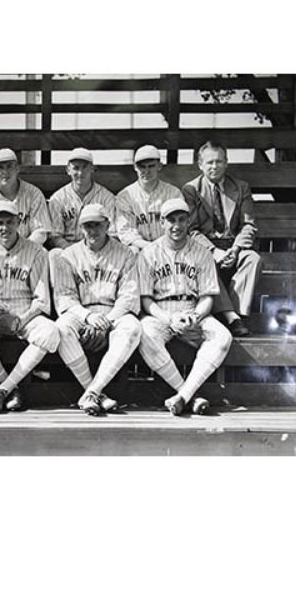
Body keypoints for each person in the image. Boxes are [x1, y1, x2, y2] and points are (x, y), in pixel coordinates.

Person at [137, 198, 232, 416]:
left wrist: (195, 317)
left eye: (182, 219)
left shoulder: (202, 252)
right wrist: (169, 319)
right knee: (144, 334)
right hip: (161, 311)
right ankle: (187, 395)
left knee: (222, 337)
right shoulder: (148, 253)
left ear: (189, 221)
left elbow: (208, 296)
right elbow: (146, 300)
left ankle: (182, 397)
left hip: (192, 308)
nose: (176, 225)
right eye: (171, 220)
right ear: (161, 222)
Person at [0, 200, 59, 413]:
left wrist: (21, 321)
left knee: (50, 332)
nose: (4, 228)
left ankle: (3, 390)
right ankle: (10, 386)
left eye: (9, 222)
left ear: (19, 221)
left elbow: (41, 299)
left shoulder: (37, 251)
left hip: (24, 314)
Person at [51, 203, 141, 415]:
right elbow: (65, 297)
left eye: (97, 225)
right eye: (87, 226)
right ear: (80, 228)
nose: (92, 231)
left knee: (133, 327)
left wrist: (107, 321)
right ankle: (95, 393)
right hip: (83, 313)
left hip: (113, 313)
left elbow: (128, 297)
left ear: (108, 224)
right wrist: (88, 317)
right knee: (61, 328)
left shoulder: (125, 253)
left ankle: (92, 392)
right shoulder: (68, 255)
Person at [182, 141, 261, 336]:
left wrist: (235, 250)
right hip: (206, 247)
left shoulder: (241, 188)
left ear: (226, 163)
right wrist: (214, 252)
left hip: (234, 246)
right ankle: (231, 319)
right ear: (200, 165)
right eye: (209, 162)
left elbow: (249, 225)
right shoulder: (191, 190)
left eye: (219, 162)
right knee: (204, 261)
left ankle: (236, 315)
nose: (214, 167)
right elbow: (190, 230)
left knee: (253, 259)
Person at [0, 148, 51, 247]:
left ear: (17, 169)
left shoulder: (34, 193)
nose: (5, 171)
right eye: (0, 167)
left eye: (9, 166)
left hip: (27, 249)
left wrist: (23, 249)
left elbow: (40, 231)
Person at [115, 144, 184, 255]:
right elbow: (126, 231)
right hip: (140, 248)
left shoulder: (173, 193)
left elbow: (179, 226)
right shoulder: (125, 196)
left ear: (159, 166)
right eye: (142, 166)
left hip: (169, 248)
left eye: (151, 166)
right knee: (132, 251)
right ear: (135, 167)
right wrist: (148, 246)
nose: (146, 171)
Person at [48, 148, 116, 249]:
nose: (80, 172)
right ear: (68, 170)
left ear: (92, 168)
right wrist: (73, 252)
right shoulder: (58, 198)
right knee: (54, 255)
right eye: (76, 168)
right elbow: (55, 236)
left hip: (98, 248)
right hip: (68, 249)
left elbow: (112, 233)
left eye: (85, 167)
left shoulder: (106, 197)